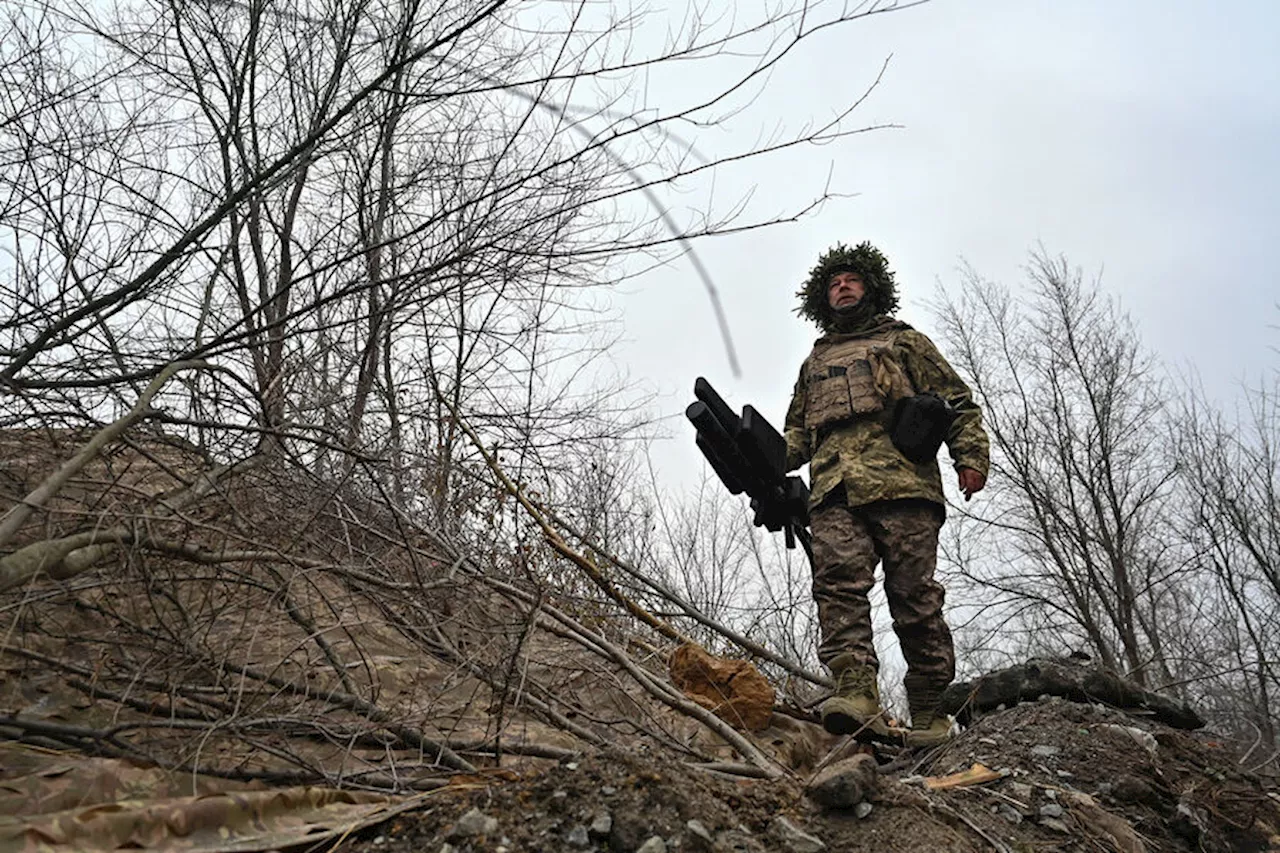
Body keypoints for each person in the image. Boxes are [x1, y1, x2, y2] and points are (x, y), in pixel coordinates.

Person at [783, 241, 989, 747]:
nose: (842, 288)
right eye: (833, 284)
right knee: (837, 589)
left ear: (870, 287)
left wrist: (971, 458)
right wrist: (761, 460)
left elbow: (958, 402)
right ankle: (855, 692)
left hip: (903, 486)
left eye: (851, 280)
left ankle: (928, 710)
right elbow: (796, 433)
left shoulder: (905, 342)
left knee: (914, 598)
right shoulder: (816, 361)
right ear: (822, 298)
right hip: (835, 491)